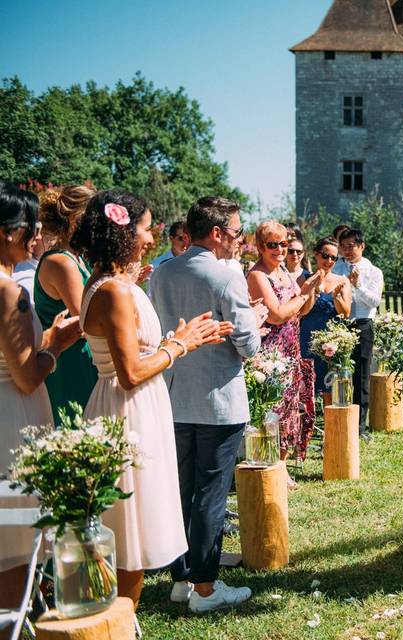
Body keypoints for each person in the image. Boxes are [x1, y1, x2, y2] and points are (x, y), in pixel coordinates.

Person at [72, 190, 230, 609]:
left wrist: (179, 339)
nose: (151, 237)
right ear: (124, 234)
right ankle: (121, 621)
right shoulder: (116, 293)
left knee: (129, 526)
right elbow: (130, 373)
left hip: (136, 404)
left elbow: (134, 353)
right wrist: (179, 347)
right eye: (145, 228)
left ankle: (121, 619)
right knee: (128, 531)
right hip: (129, 410)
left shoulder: (111, 284)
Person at [151, 196, 264, 613]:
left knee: (181, 492)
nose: (239, 241)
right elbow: (249, 346)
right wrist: (254, 319)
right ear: (216, 234)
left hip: (175, 396)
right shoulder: (226, 277)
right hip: (218, 399)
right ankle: (205, 587)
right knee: (211, 496)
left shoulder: (161, 273)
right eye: (236, 232)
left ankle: (181, 579)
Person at [0, 183, 81, 609]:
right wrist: (57, 345)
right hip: (14, 416)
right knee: (13, 539)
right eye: (30, 225)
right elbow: (29, 375)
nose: (37, 234)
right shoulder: (8, 292)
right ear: (7, 231)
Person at [247, 221, 322, 468]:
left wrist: (309, 292)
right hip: (271, 353)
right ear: (259, 247)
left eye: (283, 244)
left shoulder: (283, 272)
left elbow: (301, 311)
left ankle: (281, 465)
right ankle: (267, 464)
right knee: (272, 408)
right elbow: (277, 314)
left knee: (290, 409)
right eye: (272, 245)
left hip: (291, 347)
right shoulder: (258, 275)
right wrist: (301, 295)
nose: (280, 250)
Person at [34, 185, 99, 424]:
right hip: (69, 360)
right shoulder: (61, 262)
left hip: (82, 356)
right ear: (76, 219)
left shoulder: (77, 258)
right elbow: (87, 319)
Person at [333, 228, 384, 436]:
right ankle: (341, 419)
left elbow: (374, 301)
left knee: (361, 375)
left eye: (351, 246)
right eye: (343, 246)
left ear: (361, 246)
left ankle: (360, 426)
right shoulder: (336, 268)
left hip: (363, 324)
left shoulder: (373, 271)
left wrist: (357, 285)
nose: (347, 250)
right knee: (339, 373)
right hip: (340, 324)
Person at [299, 237, 351, 397]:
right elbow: (302, 312)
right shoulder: (305, 279)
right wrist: (314, 289)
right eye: (325, 255)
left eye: (333, 258)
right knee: (308, 384)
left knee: (332, 386)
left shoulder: (342, 281)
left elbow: (345, 314)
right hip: (308, 336)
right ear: (316, 254)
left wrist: (336, 297)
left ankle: (331, 421)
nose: (329, 261)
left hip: (332, 339)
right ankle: (309, 420)